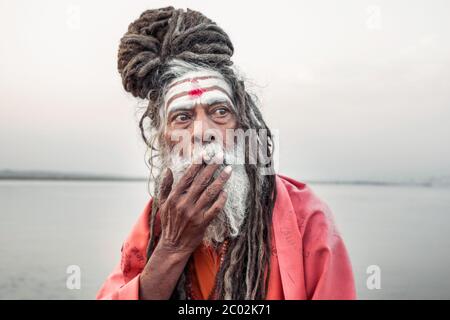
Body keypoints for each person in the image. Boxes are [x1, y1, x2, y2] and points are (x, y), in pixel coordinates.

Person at [96, 6, 356, 300]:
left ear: (243, 126)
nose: (202, 132)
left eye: (220, 111)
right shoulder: (155, 223)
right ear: (164, 140)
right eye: (182, 117)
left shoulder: (306, 218)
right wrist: (172, 248)